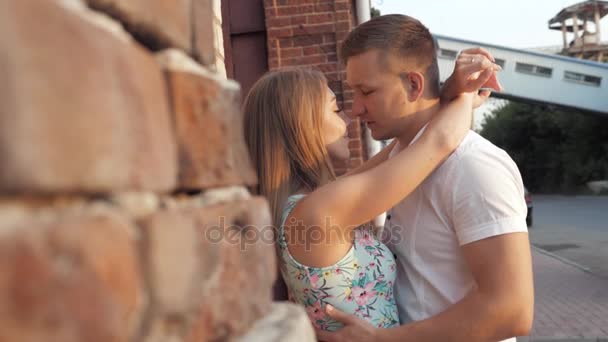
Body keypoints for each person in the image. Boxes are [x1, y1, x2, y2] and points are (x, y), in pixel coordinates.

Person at [242, 50, 500, 331]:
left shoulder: (307, 205)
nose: (349, 118)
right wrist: (465, 94)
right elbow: (438, 142)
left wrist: (448, 92)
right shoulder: (321, 210)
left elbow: (410, 142)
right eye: (335, 109)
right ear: (302, 125)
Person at [316, 14, 534, 342]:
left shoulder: (473, 166)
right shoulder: (398, 164)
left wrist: (383, 340)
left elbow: (510, 309)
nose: (356, 108)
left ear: (414, 85)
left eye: (367, 91)